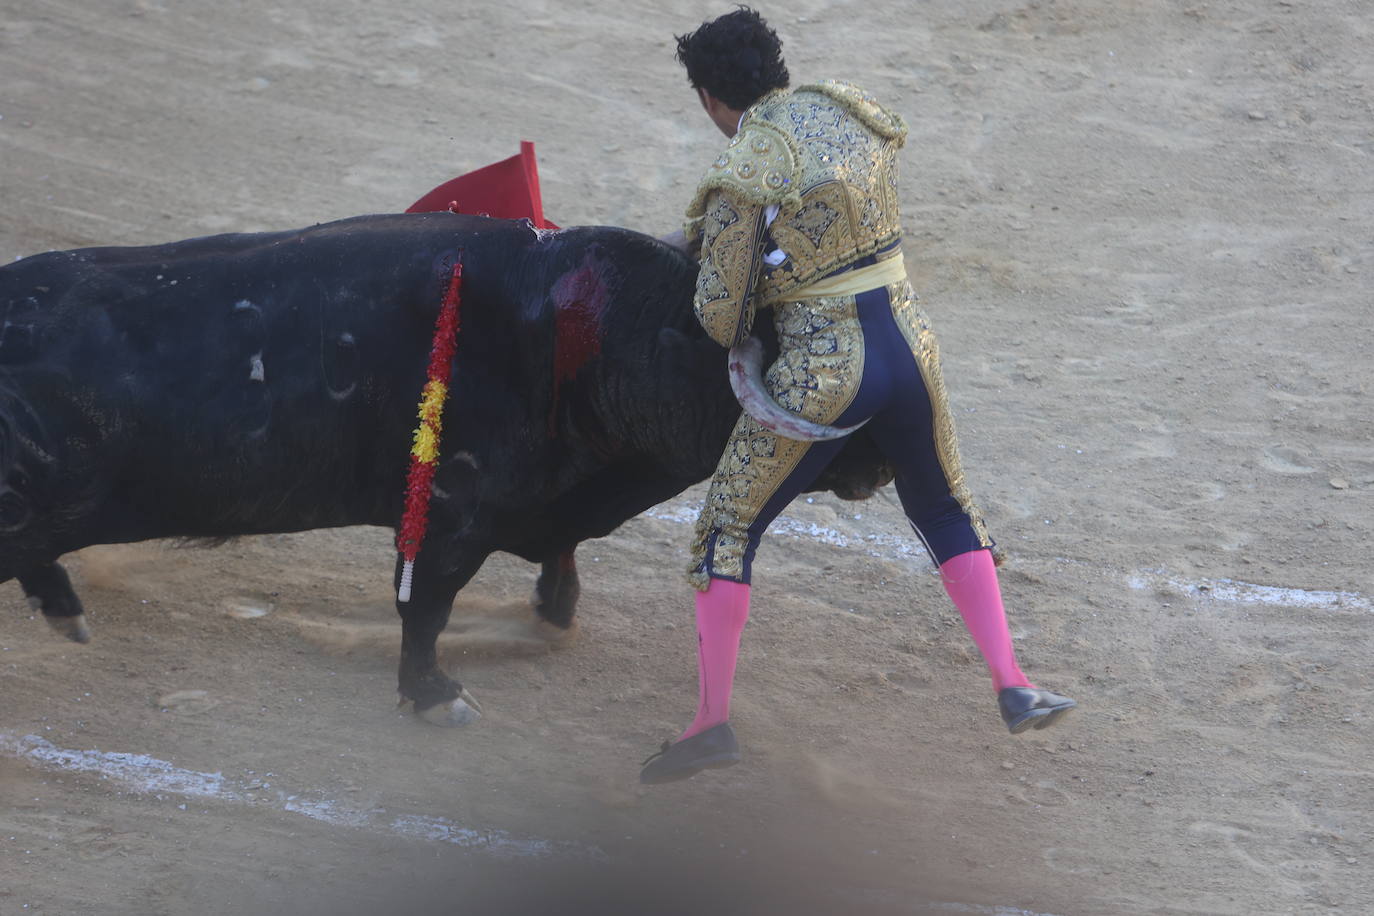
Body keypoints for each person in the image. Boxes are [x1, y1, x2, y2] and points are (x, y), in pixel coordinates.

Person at [639, 7, 1076, 785]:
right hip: (910, 344)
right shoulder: (847, 109)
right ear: (777, 67)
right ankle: (1013, 683)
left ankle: (709, 724)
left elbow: (721, 316)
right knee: (944, 506)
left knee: (725, 531)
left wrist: (739, 269)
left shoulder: (744, 167)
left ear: (709, 97)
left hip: (827, 372)